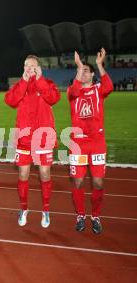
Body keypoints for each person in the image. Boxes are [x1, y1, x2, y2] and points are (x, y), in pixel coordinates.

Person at [5, 55, 60, 228]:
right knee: (23, 175)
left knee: (44, 175)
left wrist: (40, 79)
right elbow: (11, 101)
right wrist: (23, 81)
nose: (29, 68)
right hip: (24, 138)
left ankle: (45, 209)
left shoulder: (47, 83)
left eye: (33, 66)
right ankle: (24, 208)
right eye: (26, 66)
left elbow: (53, 98)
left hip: (43, 138)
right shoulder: (20, 85)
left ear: (39, 68)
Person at [67, 48, 113, 234]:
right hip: (78, 144)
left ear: (93, 74)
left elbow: (109, 86)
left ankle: (95, 215)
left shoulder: (98, 90)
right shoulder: (73, 91)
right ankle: (80, 215)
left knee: (98, 183)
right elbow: (74, 90)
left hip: (97, 143)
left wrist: (100, 65)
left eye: (87, 70)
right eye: (81, 71)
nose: (83, 73)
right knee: (77, 182)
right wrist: (78, 67)